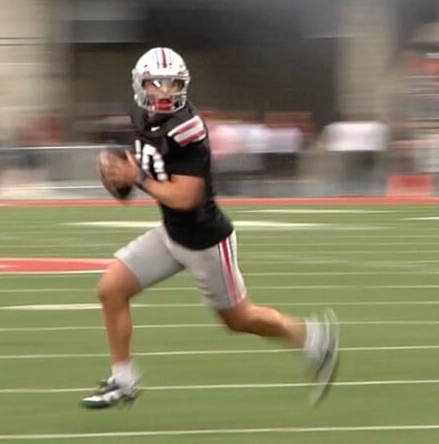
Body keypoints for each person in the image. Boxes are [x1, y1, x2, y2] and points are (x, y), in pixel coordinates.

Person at [84, 47, 340, 409]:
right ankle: (124, 380)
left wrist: (135, 177)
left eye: (171, 83)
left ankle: (312, 337)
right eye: (155, 84)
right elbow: (137, 181)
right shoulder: (143, 120)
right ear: (141, 86)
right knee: (110, 290)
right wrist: (116, 176)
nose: (164, 91)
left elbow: (184, 198)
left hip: (205, 241)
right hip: (172, 234)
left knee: (239, 319)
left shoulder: (187, 128)